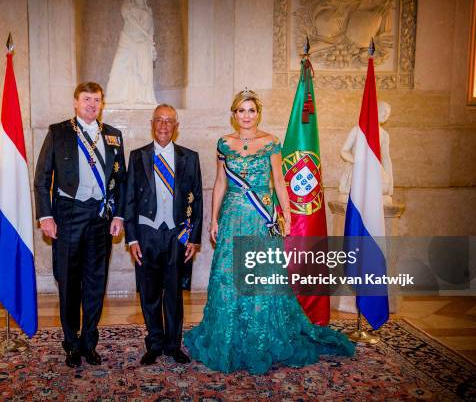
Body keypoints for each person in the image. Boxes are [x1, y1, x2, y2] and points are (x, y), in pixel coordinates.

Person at [183, 89, 355, 374]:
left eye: (251, 110)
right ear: (234, 114)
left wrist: (286, 214)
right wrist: (213, 218)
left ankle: (260, 340)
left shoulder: (272, 143)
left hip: (262, 219)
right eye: (241, 110)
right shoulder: (224, 144)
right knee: (228, 279)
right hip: (233, 218)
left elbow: (278, 181)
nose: (246, 116)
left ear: (257, 113)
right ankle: (229, 338)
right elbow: (221, 183)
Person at [34, 82, 127, 368]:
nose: (91, 105)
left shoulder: (113, 135)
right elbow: (42, 178)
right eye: (86, 99)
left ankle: (89, 342)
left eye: (96, 100)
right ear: (75, 102)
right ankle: (71, 343)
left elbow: (120, 181)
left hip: (100, 216)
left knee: (96, 282)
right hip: (68, 214)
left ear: (102, 104)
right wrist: (45, 216)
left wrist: (119, 216)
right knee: (69, 281)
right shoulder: (58, 132)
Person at [125, 104, 203, 365]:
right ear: (152, 123)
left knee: (173, 292)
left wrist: (192, 237)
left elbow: (197, 199)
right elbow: (129, 200)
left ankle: (173, 344)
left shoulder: (189, 157)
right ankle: (155, 342)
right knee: (149, 293)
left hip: (177, 234)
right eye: (159, 120)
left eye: (169, 121)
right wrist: (132, 238)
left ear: (176, 126)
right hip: (146, 233)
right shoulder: (137, 157)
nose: (163, 125)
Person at [105, 0, 157, 107]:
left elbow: (151, 31)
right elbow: (130, 19)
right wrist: (145, 33)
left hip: (143, 43)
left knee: (143, 72)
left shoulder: (148, 10)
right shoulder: (127, 3)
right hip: (128, 40)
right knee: (118, 66)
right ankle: (115, 98)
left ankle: (142, 98)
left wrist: (152, 46)